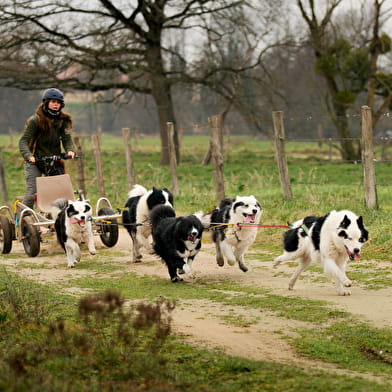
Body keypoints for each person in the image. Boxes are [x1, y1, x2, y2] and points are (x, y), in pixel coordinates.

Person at [19, 88, 76, 208]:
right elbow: (23, 141)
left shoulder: (63, 121)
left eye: (58, 102)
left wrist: (70, 150)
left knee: (61, 191)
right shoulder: (36, 120)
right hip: (35, 161)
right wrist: (28, 156)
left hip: (53, 160)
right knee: (32, 191)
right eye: (53, 101)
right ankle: (22, 218)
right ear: (46, 102)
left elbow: (67, 138)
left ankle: (59, 217)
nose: (56, 105)